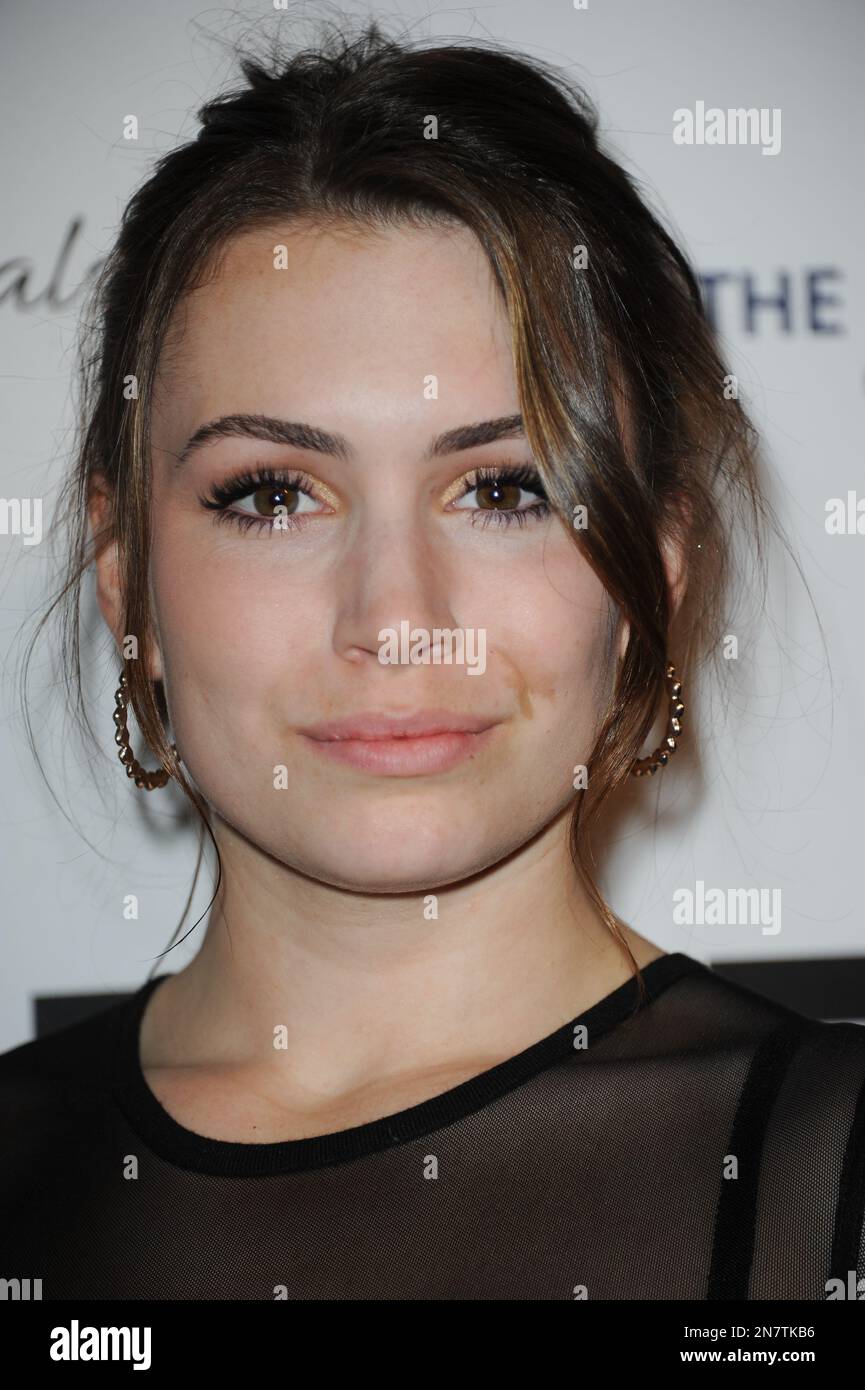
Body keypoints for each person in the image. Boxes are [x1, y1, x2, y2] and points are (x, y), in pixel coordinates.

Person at [2, 18, 863, 1302]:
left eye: (505, 489)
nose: (396, 616)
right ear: (127, 576)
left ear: (658, 570)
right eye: (274, 494)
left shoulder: (826, 1174)